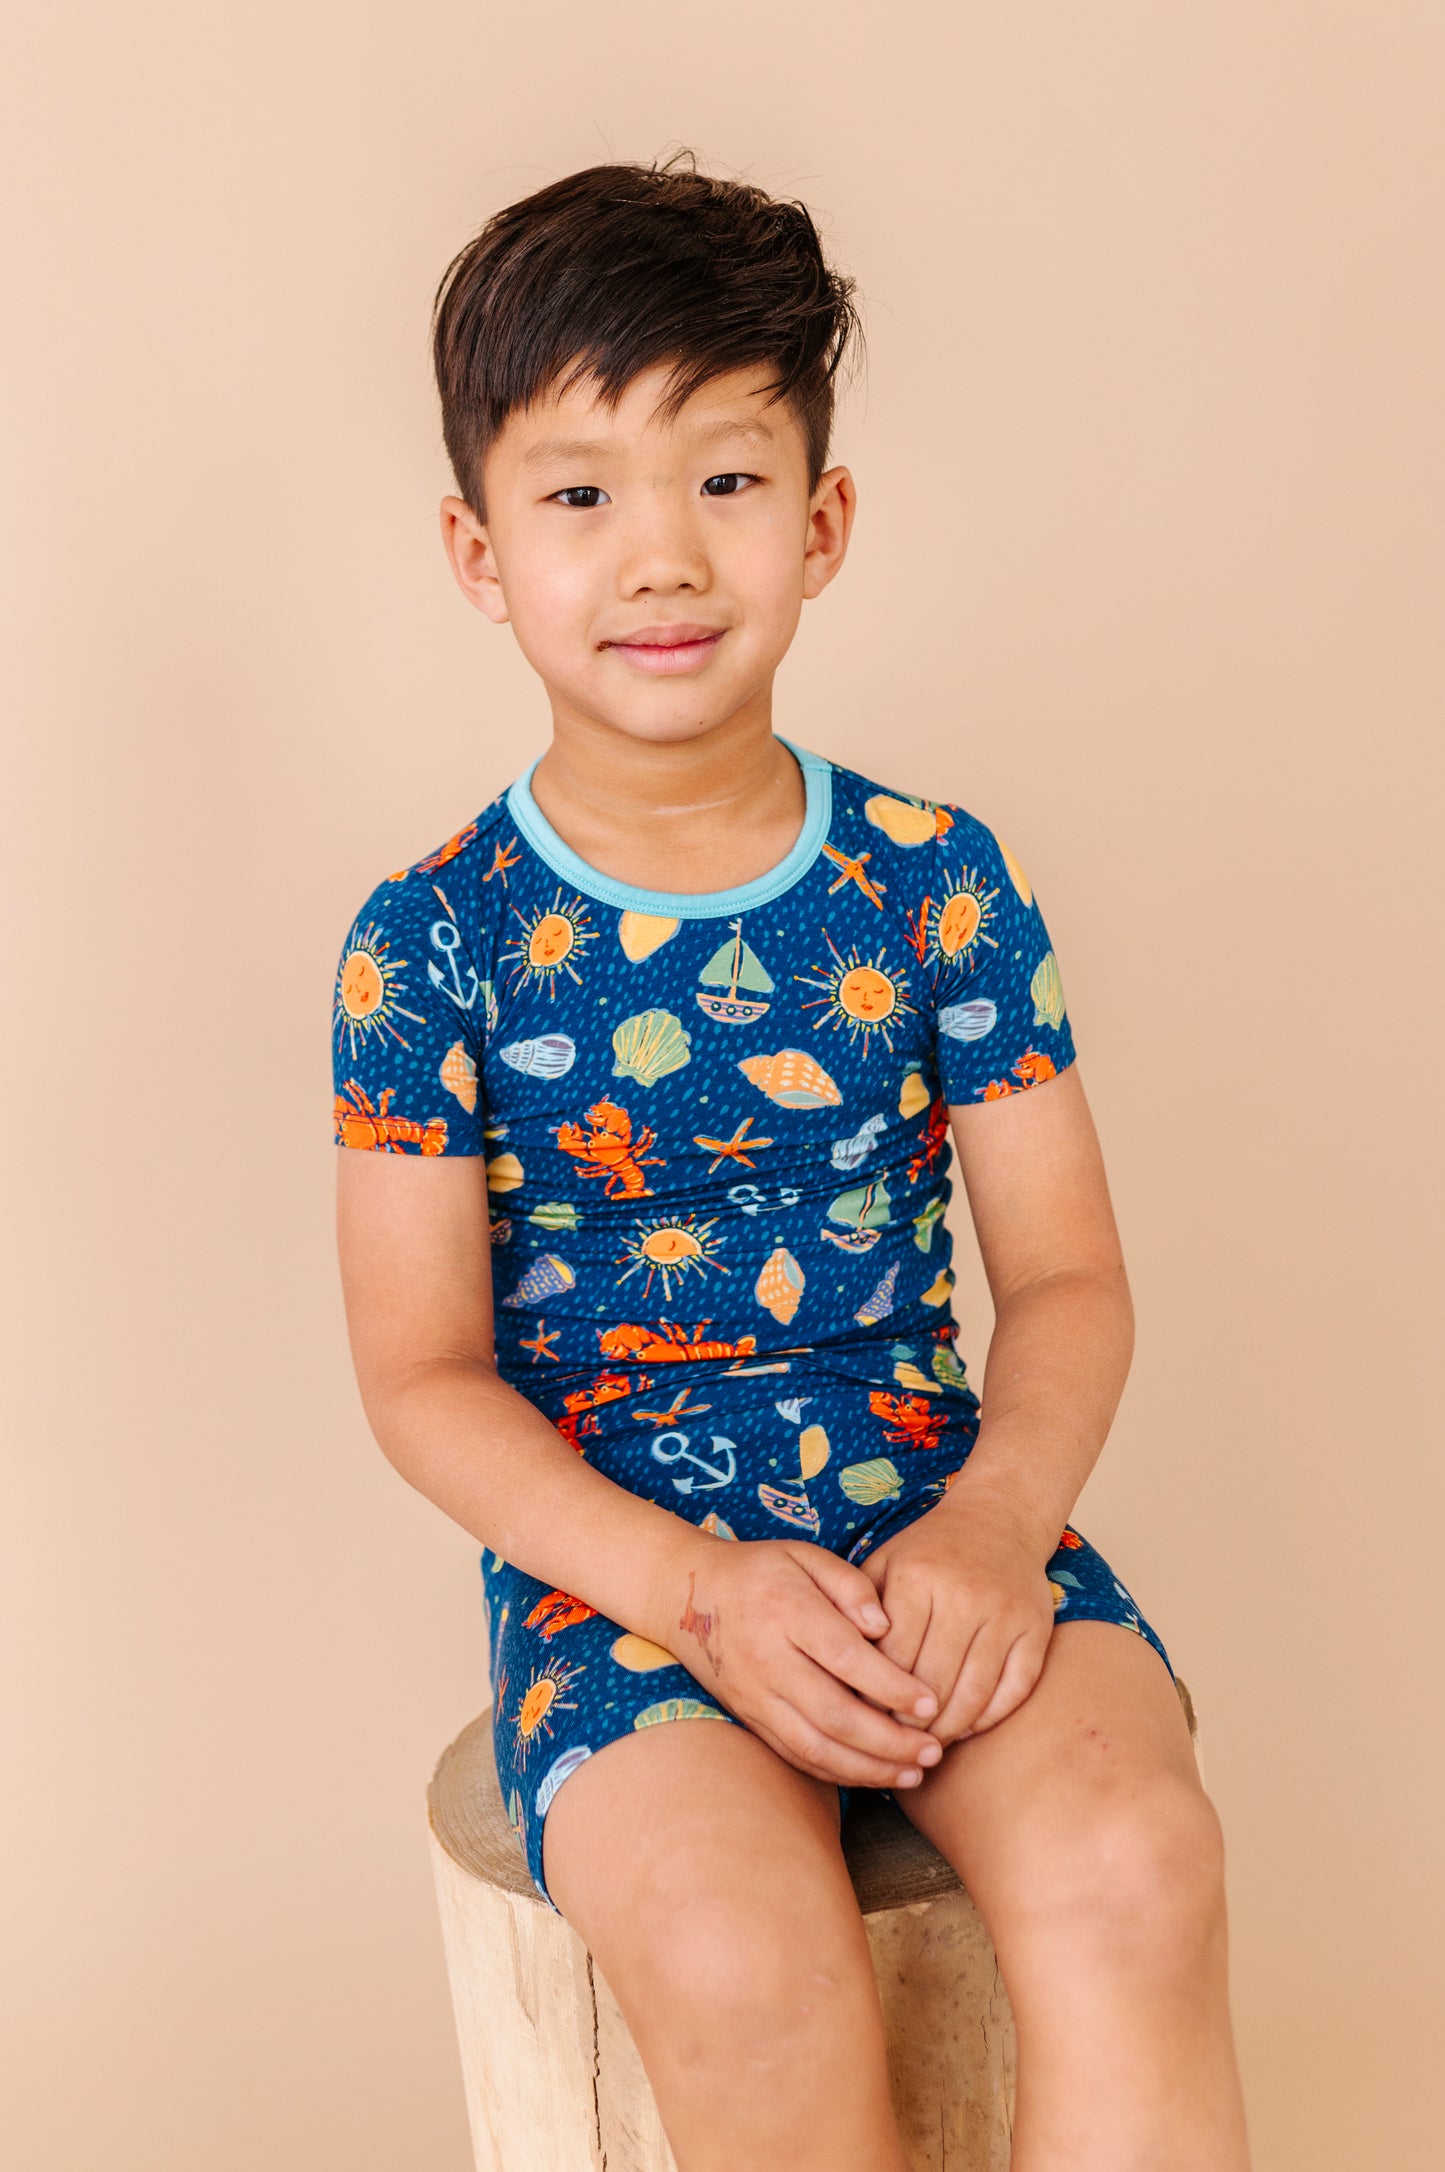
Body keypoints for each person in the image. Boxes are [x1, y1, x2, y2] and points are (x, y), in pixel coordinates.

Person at [331, 153, 1251, 2172]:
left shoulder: (937, 881)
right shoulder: (431, 941)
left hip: (938, 1518)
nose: (661, 555)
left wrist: (997, 1523)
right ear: (480, 551)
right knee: (743, 1963)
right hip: (624, 1587)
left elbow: (1067, 1278)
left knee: (1137, 1864)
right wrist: (690, 1588)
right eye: (581, 495)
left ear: (821, 523)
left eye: (726, 479)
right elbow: (419, 1375)